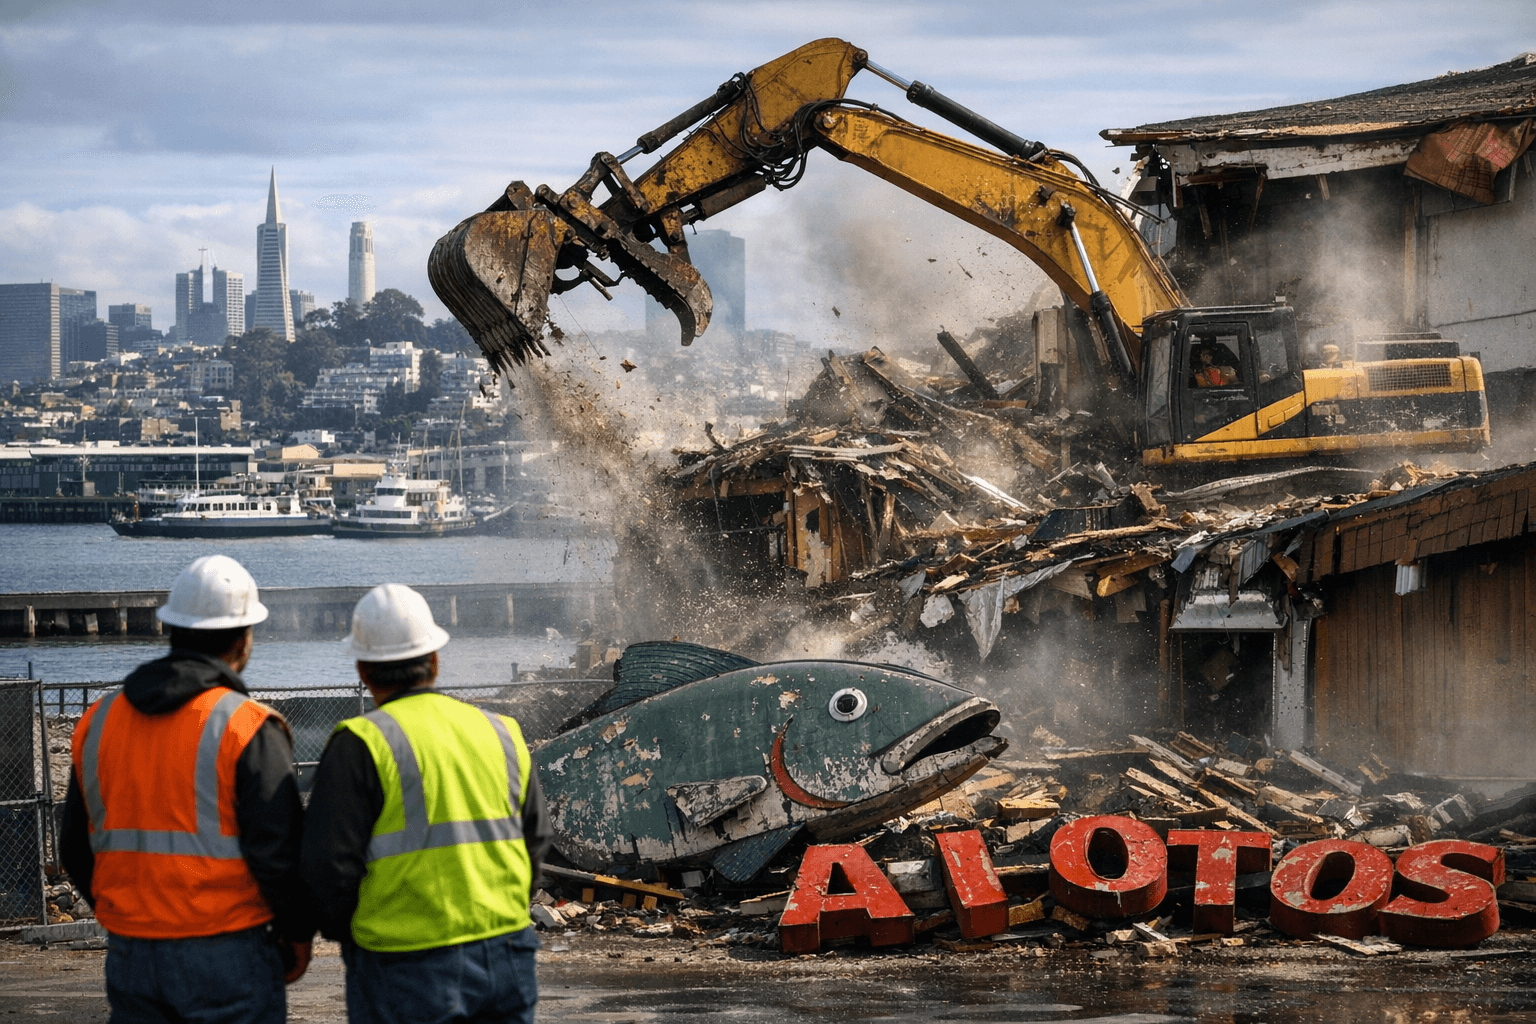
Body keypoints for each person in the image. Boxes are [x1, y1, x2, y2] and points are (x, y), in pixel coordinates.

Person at [62, 554, 313, 1024]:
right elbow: (278, 855)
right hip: (228, 950)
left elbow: (75, 847)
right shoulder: (245, 727)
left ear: (171, 630)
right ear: (243, 640)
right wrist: (298, 933)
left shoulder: (99, 721)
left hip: (133, 955)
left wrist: (129, 919)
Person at [301, 584, 551, 1024]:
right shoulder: (502, 732)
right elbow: (536, 837)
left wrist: (352, 934)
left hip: (404, 960)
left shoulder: (361, 743)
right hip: (506, 949)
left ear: (363, 670)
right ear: (434, 660)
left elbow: (327, 865)